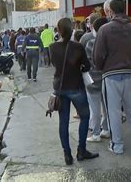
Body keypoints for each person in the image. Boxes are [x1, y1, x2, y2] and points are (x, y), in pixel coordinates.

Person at [93, 0, 131, 154]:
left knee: (113, 111)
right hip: (129, 74)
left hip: (110, 74)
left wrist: (101, 67)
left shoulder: (104, 29)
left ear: (111, 11)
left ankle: (117, 144)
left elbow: (98, 55)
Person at [49, 18, 99, 165]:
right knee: (85, 117)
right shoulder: (77, 47)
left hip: (60, 89)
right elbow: (87, 66)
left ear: (58, 30)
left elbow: (54, 64)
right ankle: (82, 151)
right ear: (72, 29)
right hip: (76, 87)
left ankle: (67, 155)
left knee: (63, 122)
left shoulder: (52, 47)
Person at [85, 17, 110, 142]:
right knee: (106, 106)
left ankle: (95, 133)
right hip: (106, 80)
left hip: (92, 81)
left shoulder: (91, 43)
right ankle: (106, 129)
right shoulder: (109, 43)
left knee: (94, 109)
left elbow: (86, 62)